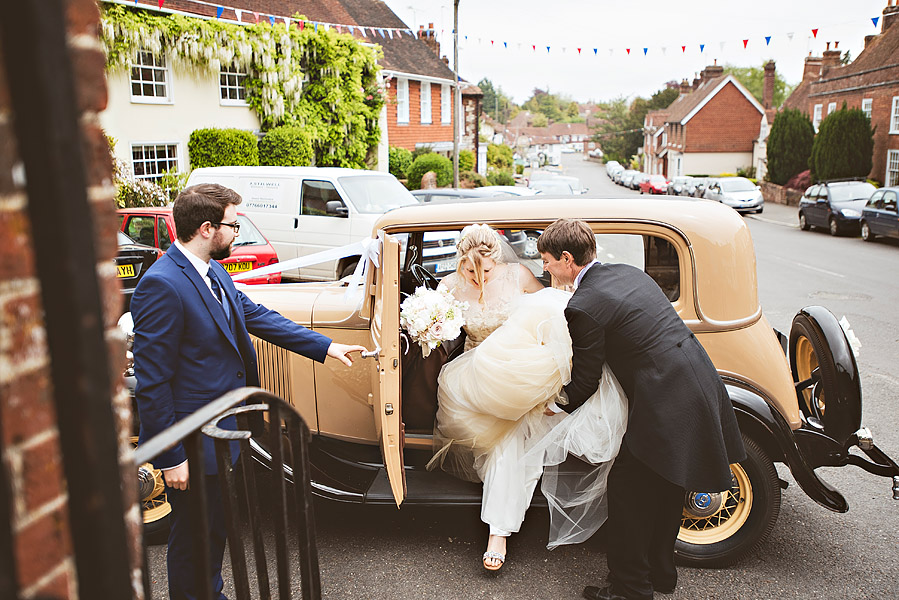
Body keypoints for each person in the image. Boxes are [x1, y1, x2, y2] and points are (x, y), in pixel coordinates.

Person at [131, 183, 365, 600]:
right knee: (192, 536)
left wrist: (326, 346)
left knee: (216, 528)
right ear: (206, 228)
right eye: (233, 225)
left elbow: (255, 314)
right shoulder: (162, 285)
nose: (237, 233)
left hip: (224, 432)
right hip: (192, 440)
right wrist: (171, 458)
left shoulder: (212, 270)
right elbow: (152, 382)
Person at [537, 218, 745, 600]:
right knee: (667, 486)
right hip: (698, 377)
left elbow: (586, 380)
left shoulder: (583, 305)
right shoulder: (627, 273)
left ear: (567, 259)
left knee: (628, 493)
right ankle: (661, 575)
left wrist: (552, 405)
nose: (545, 268)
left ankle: (631, 589)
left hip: (666, 398)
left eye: (548, 261)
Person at [427, 224, 627, 572]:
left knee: (511, 439)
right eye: (471, 271)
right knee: (506, 438)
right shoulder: (448, 286)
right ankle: (500, 526)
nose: (479, 278)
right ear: (461, 262)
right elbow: (439, 328)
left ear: (496, 259)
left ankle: (498, 533)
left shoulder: (517, 274)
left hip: (519, 370)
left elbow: (555, 308)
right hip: (475, 375)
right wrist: (430, 326)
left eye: (486, 270)